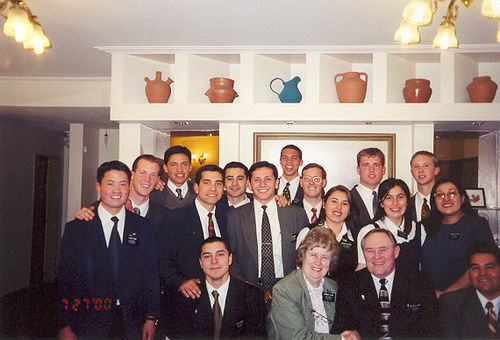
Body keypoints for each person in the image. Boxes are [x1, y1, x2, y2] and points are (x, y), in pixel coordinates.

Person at [57, 160, 160, 340]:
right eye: (110, 184)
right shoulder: (77, 228)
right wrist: (65, 325)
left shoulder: (143, 226)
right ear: (98, 186)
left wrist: (151, 318)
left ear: (129, 187)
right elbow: (66, 280)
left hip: (132, 321)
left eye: (122, 184)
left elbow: (150, 275)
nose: (117, 190)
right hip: (88, 321)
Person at [333, 228, 439, 338]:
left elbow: (432, 329)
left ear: (396, 252)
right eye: (370, 250)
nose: (377, 256)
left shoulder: (420, 282)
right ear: (363, 254)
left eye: (383, 250)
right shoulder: (349, 285)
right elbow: (342, 329)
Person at [227, 161, 309, 295]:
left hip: (288, 286)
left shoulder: (296, 214)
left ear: (277, 183)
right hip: (249, 288)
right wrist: (242, 282)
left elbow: (306, 253)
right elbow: (231, 255)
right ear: (249, 184)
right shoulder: (234, 216)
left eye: (268, 179)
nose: (262, 184)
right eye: (257, 180)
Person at [268, 228, 360, 340]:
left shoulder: (333, 287)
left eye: (325, 257)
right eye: (313, 255)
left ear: (331, 261)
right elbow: (297, 337)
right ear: (303, 255)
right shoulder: (284, 290)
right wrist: (342, 339)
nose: (318, 262)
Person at [158, 164, 228, 299]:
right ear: (196, 187)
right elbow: (163, 258)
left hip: (222, 294)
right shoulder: (176, 217)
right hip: (187, 296)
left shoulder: (228, 215)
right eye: (207, 182)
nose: (213, 188)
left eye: (218, 183)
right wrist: (179, 282)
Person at [176, 236, 264, 338]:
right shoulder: (187, 297)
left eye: (220, 254)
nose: (214, 261)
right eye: (207, 256)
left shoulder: (252, 296)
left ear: (230, 259)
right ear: (201, 263)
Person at [422, 178, 496, 297]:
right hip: (431, 298)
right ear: (434, 201)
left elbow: (481, 266)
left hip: (466, 299)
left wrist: (446, 294)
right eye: (440, 195)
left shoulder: (477, 225)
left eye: (452, 193)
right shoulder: (425, 227)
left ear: (462, 198)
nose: (446, 198)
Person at [74, 154, 170, 239]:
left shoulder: (165, 216)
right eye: (142, 173)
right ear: (132, 175)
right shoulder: (97, 209)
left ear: (158, 180)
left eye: (153, 175)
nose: (147, 179)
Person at [355, 178, 424, 272]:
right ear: (381, 203)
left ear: (407, 201)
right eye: (389, 197)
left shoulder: (419, 228)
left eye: (400, 197)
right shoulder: (369, 231)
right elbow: (363, 267)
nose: (395, 203)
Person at [296, 185, 359, 286]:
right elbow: (300, 271)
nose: (339, 207)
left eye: (344, 203)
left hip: (347, 296)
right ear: (324, 204)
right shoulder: (307, 232)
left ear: (350, 209)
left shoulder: (357, 236)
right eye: (334, 201)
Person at [440, 242, 500, 338]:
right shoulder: (452, 304)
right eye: (475, 268)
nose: (483, 273)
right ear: (469, 272)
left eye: (490, 267)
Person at [350, 148, 386, 236]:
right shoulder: (347, 199)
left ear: (383, 170)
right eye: (366, 165)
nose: (371, 170)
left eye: (376, 165)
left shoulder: (392, 198)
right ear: (358, 169)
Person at [150, 145, 197, 210]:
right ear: (165, 168)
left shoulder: (199, 193)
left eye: (184, 164)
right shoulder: (153, 195)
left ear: (190, 167)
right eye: (173, 165)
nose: (180, 169)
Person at [409, 150, 440, 222]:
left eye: (426, 165)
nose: (420, 170)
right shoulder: (406, 205)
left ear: (436, 170)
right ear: (412, 172)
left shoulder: (445, 202)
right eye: (416, 166)